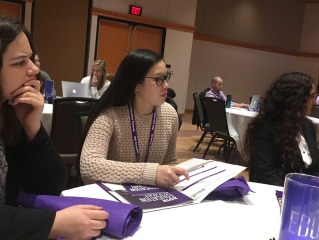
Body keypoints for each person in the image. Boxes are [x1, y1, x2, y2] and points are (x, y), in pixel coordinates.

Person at [0, 15, 108, 239]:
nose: (33, 69)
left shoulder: (9, 112)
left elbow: (49, 185)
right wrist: (52, 224)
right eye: (20, 62)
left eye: (30, 59)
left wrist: (32, 127)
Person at [79, 49, 189, 188]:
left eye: (166, 77)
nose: (166, 85)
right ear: (136, 84)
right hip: (115, 198)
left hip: (152, 197)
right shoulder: (109, 116)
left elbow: (169, 161)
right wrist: (150, 173)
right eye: (159, 79)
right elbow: (89, 167)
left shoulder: (170, 114)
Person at [242, 72, 319, 186]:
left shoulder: (308, 126)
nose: (314, 101)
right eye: (312, 96)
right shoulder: (266, 127)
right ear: (297, 98)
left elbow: (316, 166)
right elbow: (265, 174)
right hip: (275, 193)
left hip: (307, 193)